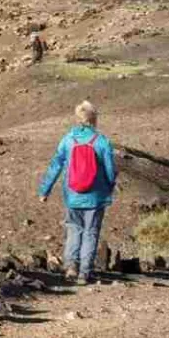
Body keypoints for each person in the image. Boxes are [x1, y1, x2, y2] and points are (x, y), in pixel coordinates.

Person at [37, 101, 119, 283]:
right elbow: (111, 170)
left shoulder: (67, 140)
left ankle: (71, 267)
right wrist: (109, 186)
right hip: (95, 197)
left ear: (78, 118)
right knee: (91, 232)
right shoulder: (101, 141)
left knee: (74, 230)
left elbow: (55, 166)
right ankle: (84, 272)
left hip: (72, 195)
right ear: (94, 119)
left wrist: (45, 190)